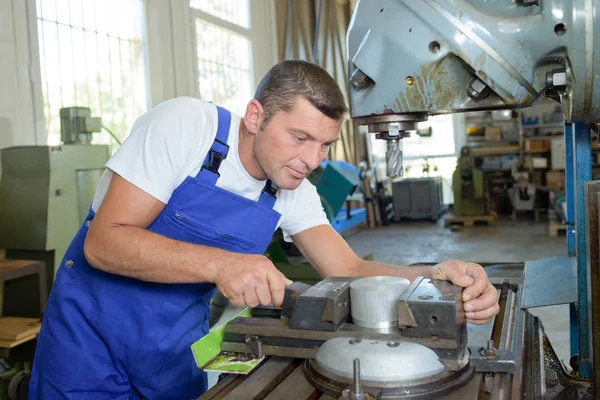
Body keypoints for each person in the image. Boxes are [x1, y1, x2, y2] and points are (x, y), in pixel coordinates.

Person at [29, 60, 499, 399]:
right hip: (88, 338)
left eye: (324, 145)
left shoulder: (290, 186)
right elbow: (104, 242)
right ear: (256, 117)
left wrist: (433, 279)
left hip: (173, 347)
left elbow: (349, 267)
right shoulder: (187, 127)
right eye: (300, 138)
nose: (313, 160)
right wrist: (223, 263)